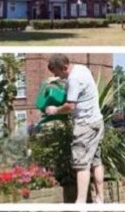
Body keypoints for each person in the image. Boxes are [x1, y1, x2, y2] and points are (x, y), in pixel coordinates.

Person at [44, 54, 105, 203]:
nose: (56, 75)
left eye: (57, 73)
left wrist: (55, 110)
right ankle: (100, 199)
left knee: (81, 164)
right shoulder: (82, 69)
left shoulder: (73, 80)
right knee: (96, 161)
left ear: (64, 68)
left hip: (85, 125)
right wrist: (58, 79)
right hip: (97, 121)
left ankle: (81, 202)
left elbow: (71, 106)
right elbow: (78, 85)